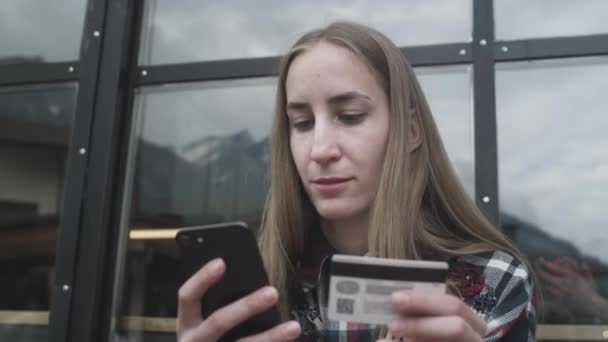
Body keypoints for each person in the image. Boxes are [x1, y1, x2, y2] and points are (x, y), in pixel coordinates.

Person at [177, 21, 536, 341]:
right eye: (301, 123)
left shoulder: (491, 281)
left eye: (349, 116)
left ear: (410, 132)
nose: (319, 149)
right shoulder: (255, 286)